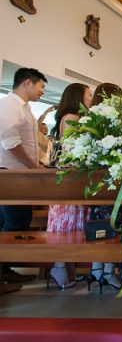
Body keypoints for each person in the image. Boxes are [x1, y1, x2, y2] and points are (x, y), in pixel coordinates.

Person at [0, 67, 47, 291]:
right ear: (28, 83)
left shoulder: (24, 108)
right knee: (15, 223)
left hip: (17, 172)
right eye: (41, 86)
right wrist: (32, 165)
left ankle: (5, 272)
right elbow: (9, 140)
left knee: (13, 222)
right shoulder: (10, 105)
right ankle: (3, 273)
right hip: (11, 173)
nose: (42, 91)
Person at [47, 82, 93, 289]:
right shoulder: (72, 118)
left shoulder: (74, 118)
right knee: (66, 223)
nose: (91, 99)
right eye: (89, 95)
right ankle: (58, 265)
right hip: (69, 176)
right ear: (78, 98)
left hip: (73, 176)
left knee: (74, 222)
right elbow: (74, 150)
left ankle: (66, 266)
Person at [86, 82, 122, 292]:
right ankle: (108, 271)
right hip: (112, 179)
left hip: (95, 181)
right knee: (113, 225)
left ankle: (96, 269)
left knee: (97, 224)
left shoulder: (91, 120)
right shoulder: (112, 121)